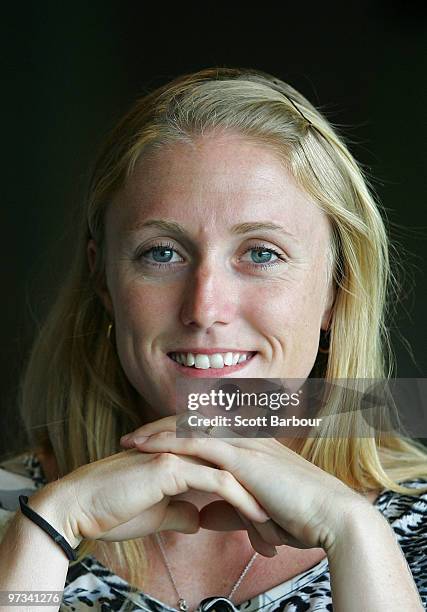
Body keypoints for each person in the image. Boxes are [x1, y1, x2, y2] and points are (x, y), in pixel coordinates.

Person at [0, 66, 426, 611]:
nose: (204, 308)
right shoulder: (15, 503)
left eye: (261, 254)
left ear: (336, 291)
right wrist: (46, 528)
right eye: (161, 253)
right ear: (103, 279)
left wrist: (355, 535)